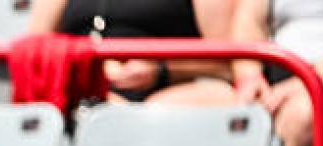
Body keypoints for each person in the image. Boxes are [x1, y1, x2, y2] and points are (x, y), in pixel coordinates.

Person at [26, 0, 238, 104]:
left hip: (160, 100)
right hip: (77, 93)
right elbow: (33, 51)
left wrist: (162, 69)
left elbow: (229, 62)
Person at [231, 0, 322, 146]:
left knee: (300, 116)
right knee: (179, 106)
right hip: (274, 76)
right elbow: (248, 23)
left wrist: (307, 81)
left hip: (311, 80)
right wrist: (249, 78)